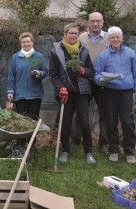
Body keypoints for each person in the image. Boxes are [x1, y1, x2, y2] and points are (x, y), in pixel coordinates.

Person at [49, 23, 96, 164]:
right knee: (66, 122)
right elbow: (53, 74)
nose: (73, 35)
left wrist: (83, 71)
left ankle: (89, 152)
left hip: (82, 92)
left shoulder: (84, 50)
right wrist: (60, 88)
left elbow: (91, 72)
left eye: (76, 33)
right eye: (71, 33)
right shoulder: (56, 51)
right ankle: (65, 151)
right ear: (65, 34)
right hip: (66, 93)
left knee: (84, 122)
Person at [93, 26, 136, 164]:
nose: (116, 39)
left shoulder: (130, 53)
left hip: (126, 92)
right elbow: (97, 73)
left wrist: (133, 87)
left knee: (127, 121)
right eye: (113, 37)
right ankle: (114, 150)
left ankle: (129, 150)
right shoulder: (103, 55)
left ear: (122, 38)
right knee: (111, 121)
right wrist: (100, 80)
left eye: (118, 36)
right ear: (109, 39)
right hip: (109, 92)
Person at [6, 32, 48, 155]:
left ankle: (31, 145)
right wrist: (10, 91)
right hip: (20, 95)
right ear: (21, 43)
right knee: (21, 121)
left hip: (35, 95)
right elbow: (11, 76)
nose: (26, 43)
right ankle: (20, 145)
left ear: (32, 42)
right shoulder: (15, 57)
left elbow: (45, 71)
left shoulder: (38, 57)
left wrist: (39, 74)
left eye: (28, 41)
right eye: (24, 42)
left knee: (33, 120)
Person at [79, 11, 110, 153]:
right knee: (80, 110)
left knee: (104, 113)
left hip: (103, 81)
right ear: (88, 23)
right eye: (93, 21)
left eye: (98, 21)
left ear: (103, 22)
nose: (95, 23)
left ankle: (104, 143)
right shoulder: (81, 38)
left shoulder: (110, 38)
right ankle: (75, 139)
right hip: (85, 79)